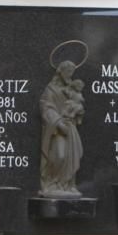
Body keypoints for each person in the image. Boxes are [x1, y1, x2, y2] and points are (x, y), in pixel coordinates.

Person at [39, 61, 84, 197]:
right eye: (68, 72)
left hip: (70, 127)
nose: (70, 75)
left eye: (71, 72)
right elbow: (46, 107)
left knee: (72, 156)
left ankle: (68, 185)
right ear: (61, 72)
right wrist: (58, 123)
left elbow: (79, 104)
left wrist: (78, 111)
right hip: (57, 129)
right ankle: (52, 184)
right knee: (59, 155)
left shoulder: (73, 89)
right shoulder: (51, 89)